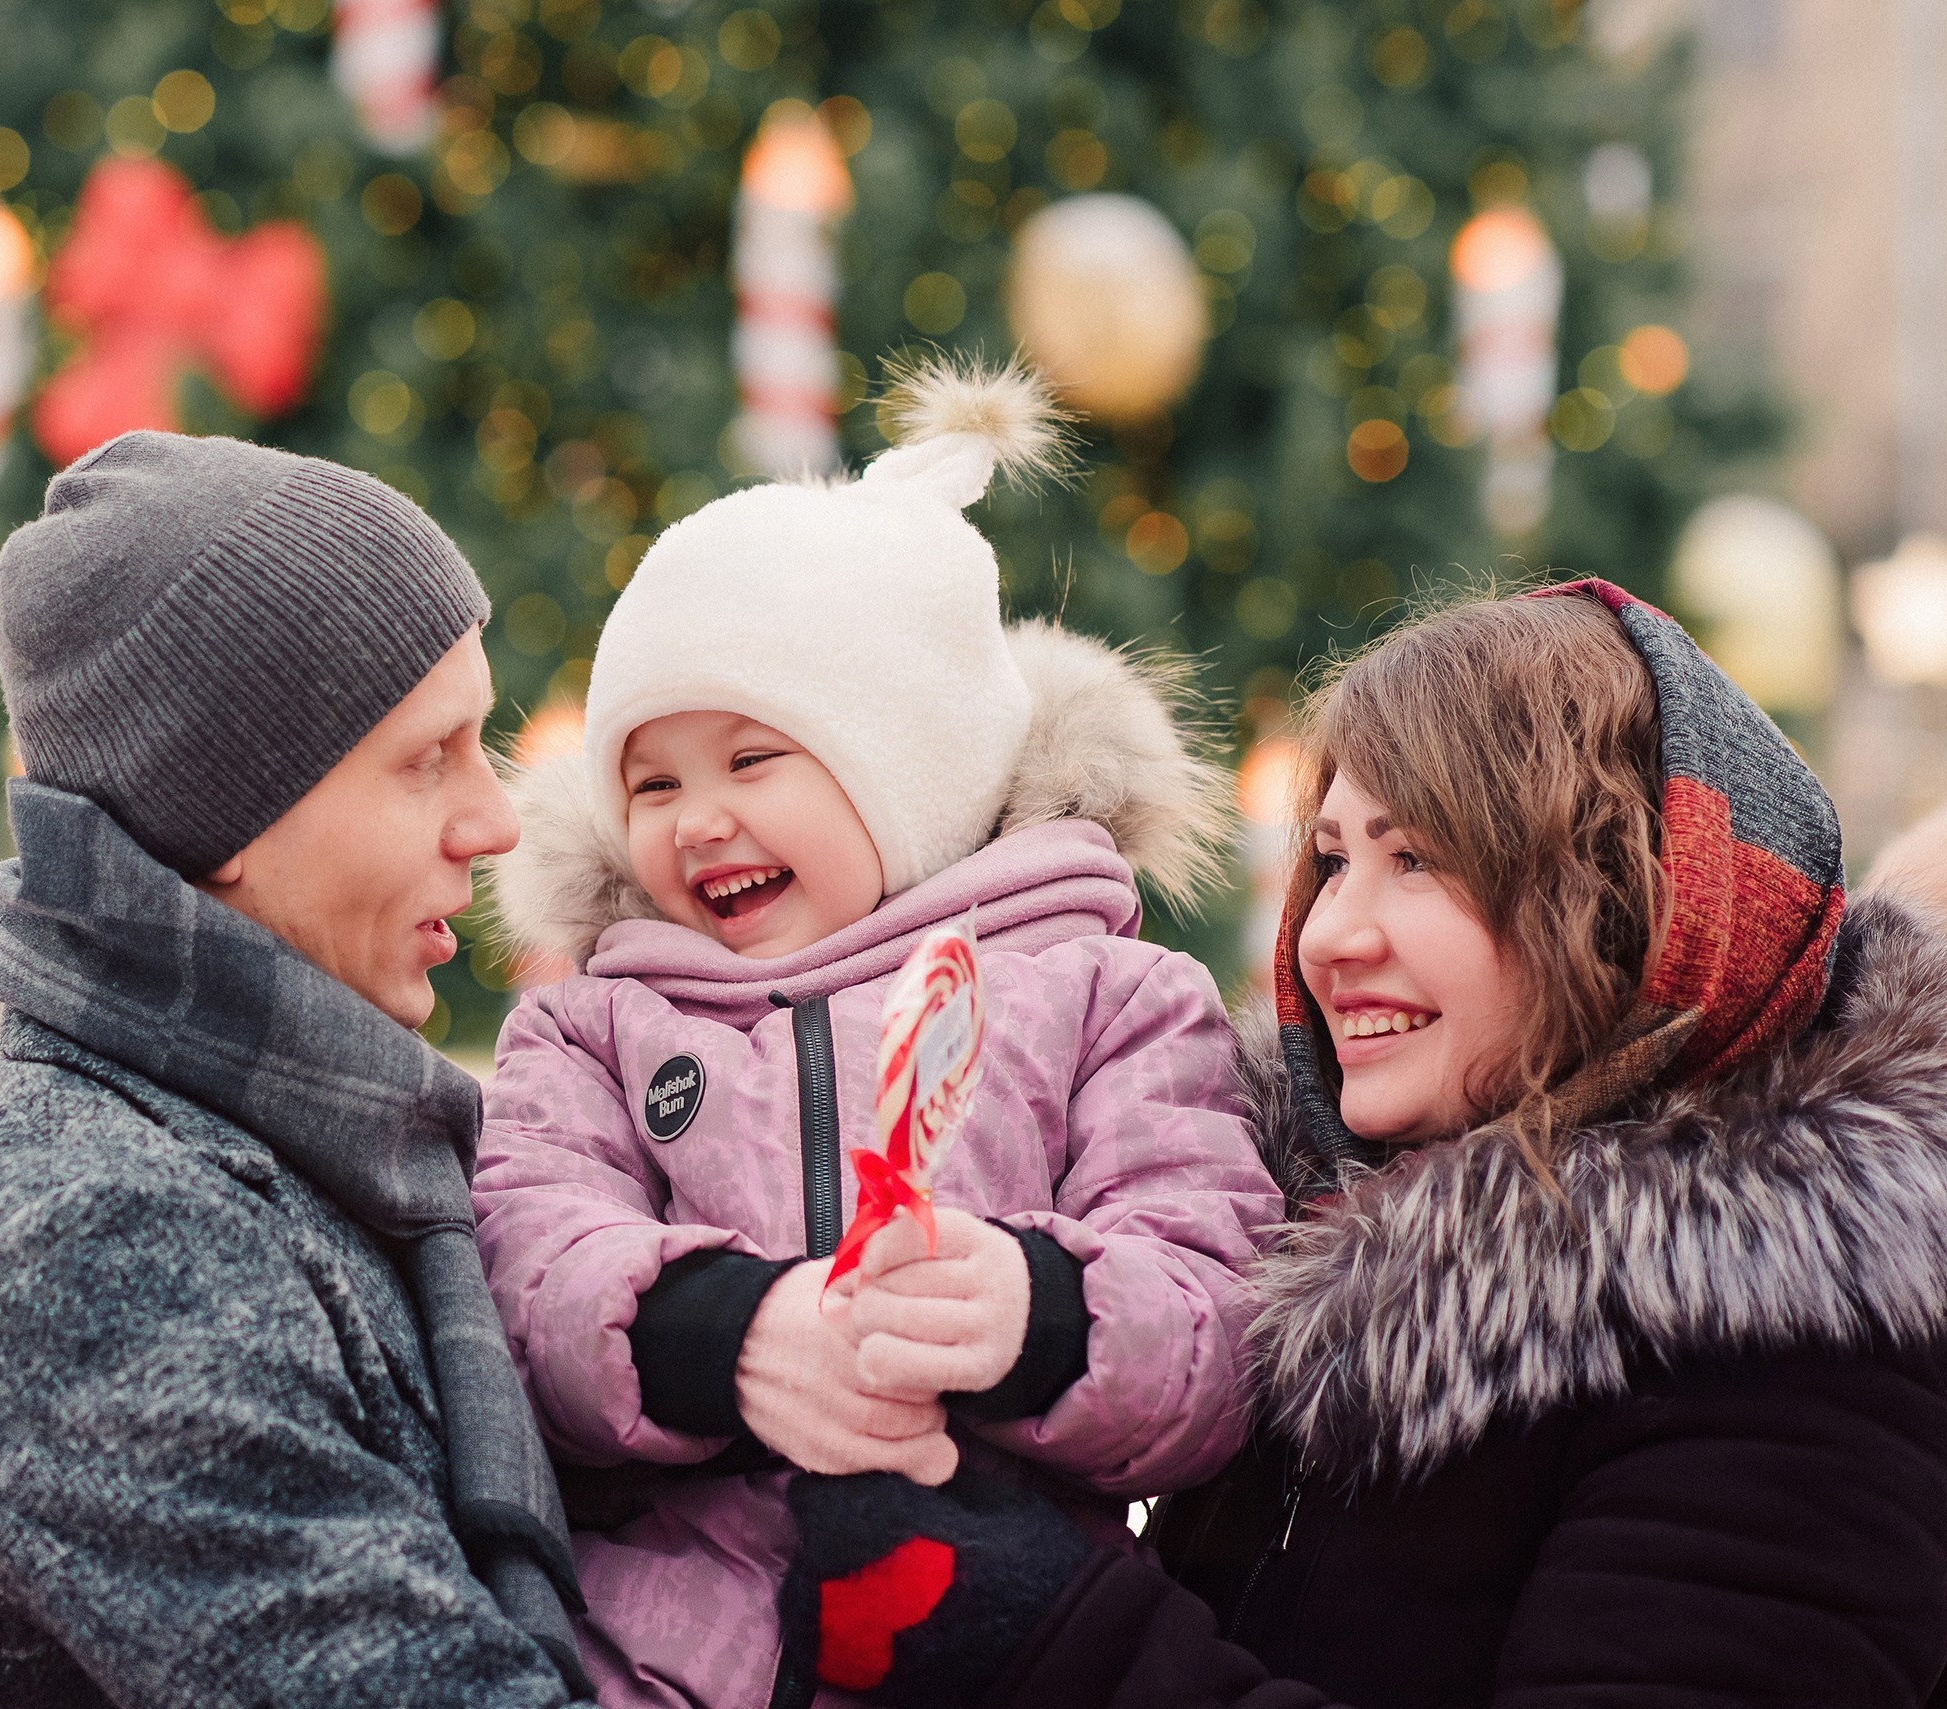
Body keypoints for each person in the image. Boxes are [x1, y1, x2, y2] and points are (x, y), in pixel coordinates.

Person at [784, 581, 1947, 1708]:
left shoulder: (1793, 1352)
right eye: (1332, 858)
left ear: (1622, 903)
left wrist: (1042, 1628)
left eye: (1420, 858)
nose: (1328, 933)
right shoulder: (1306, 1246)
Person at [473, 359, 1284, 1709]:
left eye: (753, 759)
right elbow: (526, 1257)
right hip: (650, 1650)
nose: (697, 820)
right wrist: (726, 1331)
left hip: (993, 1631)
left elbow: (1215, 1307)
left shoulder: (1104, 997)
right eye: (652, 780)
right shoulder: (599, 1026)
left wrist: (1035, 1312)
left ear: (906, 766)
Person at [0, 433, 593, 1709]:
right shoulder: (92, 1239)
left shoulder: (322, 1153)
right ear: (224, 820)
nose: (494, 823)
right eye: (429, 756)